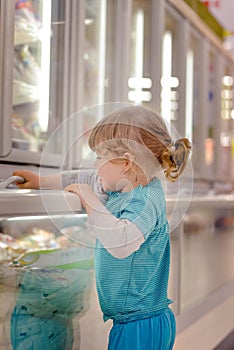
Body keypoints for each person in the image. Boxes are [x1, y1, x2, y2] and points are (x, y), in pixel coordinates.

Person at [14, 105, 191, 350]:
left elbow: (123, 242)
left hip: (140, 326)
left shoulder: (145, 200)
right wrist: (41, 181)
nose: (95, 165)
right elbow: (85, 178)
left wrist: (90, 200)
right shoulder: (123, 186)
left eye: (99, 157)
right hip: (133, 321)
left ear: (126, 162)